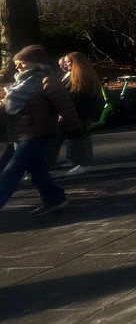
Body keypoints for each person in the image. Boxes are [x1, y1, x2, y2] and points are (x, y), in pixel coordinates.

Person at [0, 45, 81, 215]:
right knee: (36, 170)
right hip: (19, 134)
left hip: (37, 133)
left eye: (21, 63)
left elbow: (65, 106)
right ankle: (54, 198)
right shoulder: (19, 82)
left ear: (35, 63)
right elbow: (8, 105)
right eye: (16, 63)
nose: (17, 67)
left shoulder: (47, 81)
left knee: (12, 170)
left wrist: (74, 128)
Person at [53, 52, 104, 174]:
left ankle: (83, 163)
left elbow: (78, 97)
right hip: (73, 112)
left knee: (80, 137)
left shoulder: (83, 77)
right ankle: (78, 162)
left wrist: (65, 111)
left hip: (80, 112)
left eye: (68, 62)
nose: (66, 65)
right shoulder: (70, 75)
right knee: (74, 137)